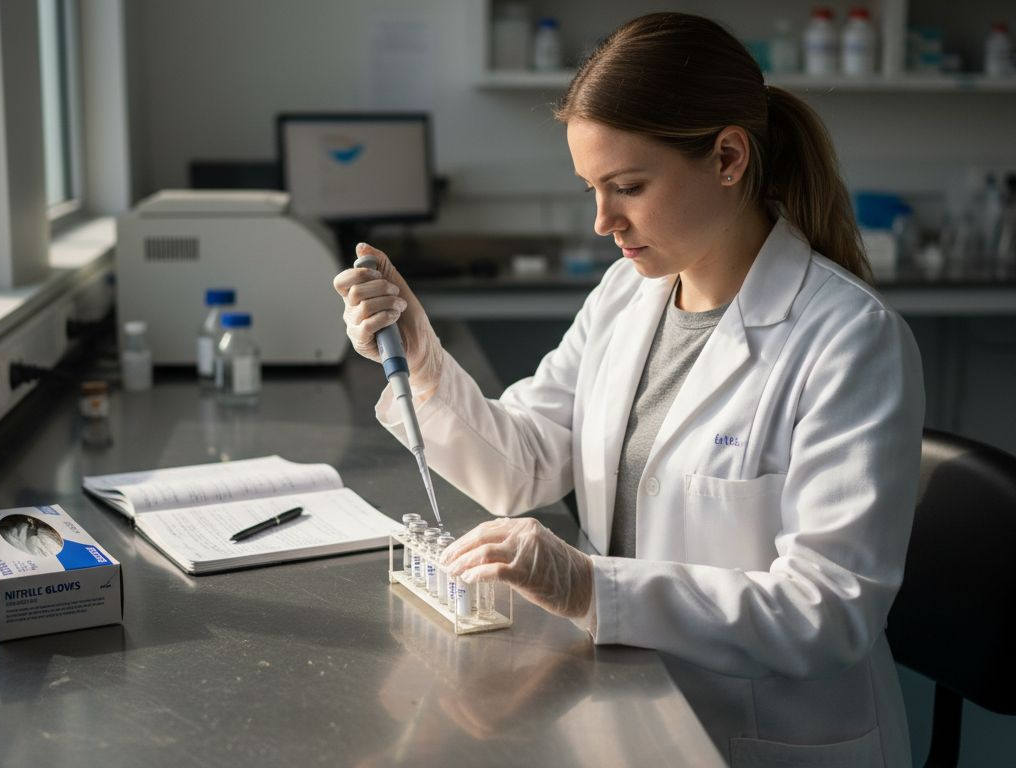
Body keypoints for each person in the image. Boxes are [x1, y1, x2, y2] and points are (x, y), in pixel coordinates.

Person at [334, 12, 923, 766]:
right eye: (591, 188)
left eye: (628, 187)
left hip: (762, 735)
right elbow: (522, 464)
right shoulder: (627, 295)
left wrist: (590, 588)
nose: (603, 220)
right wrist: (421, 360)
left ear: (729, 157)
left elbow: (828, 610)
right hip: (622, 707)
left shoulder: (848, 339)